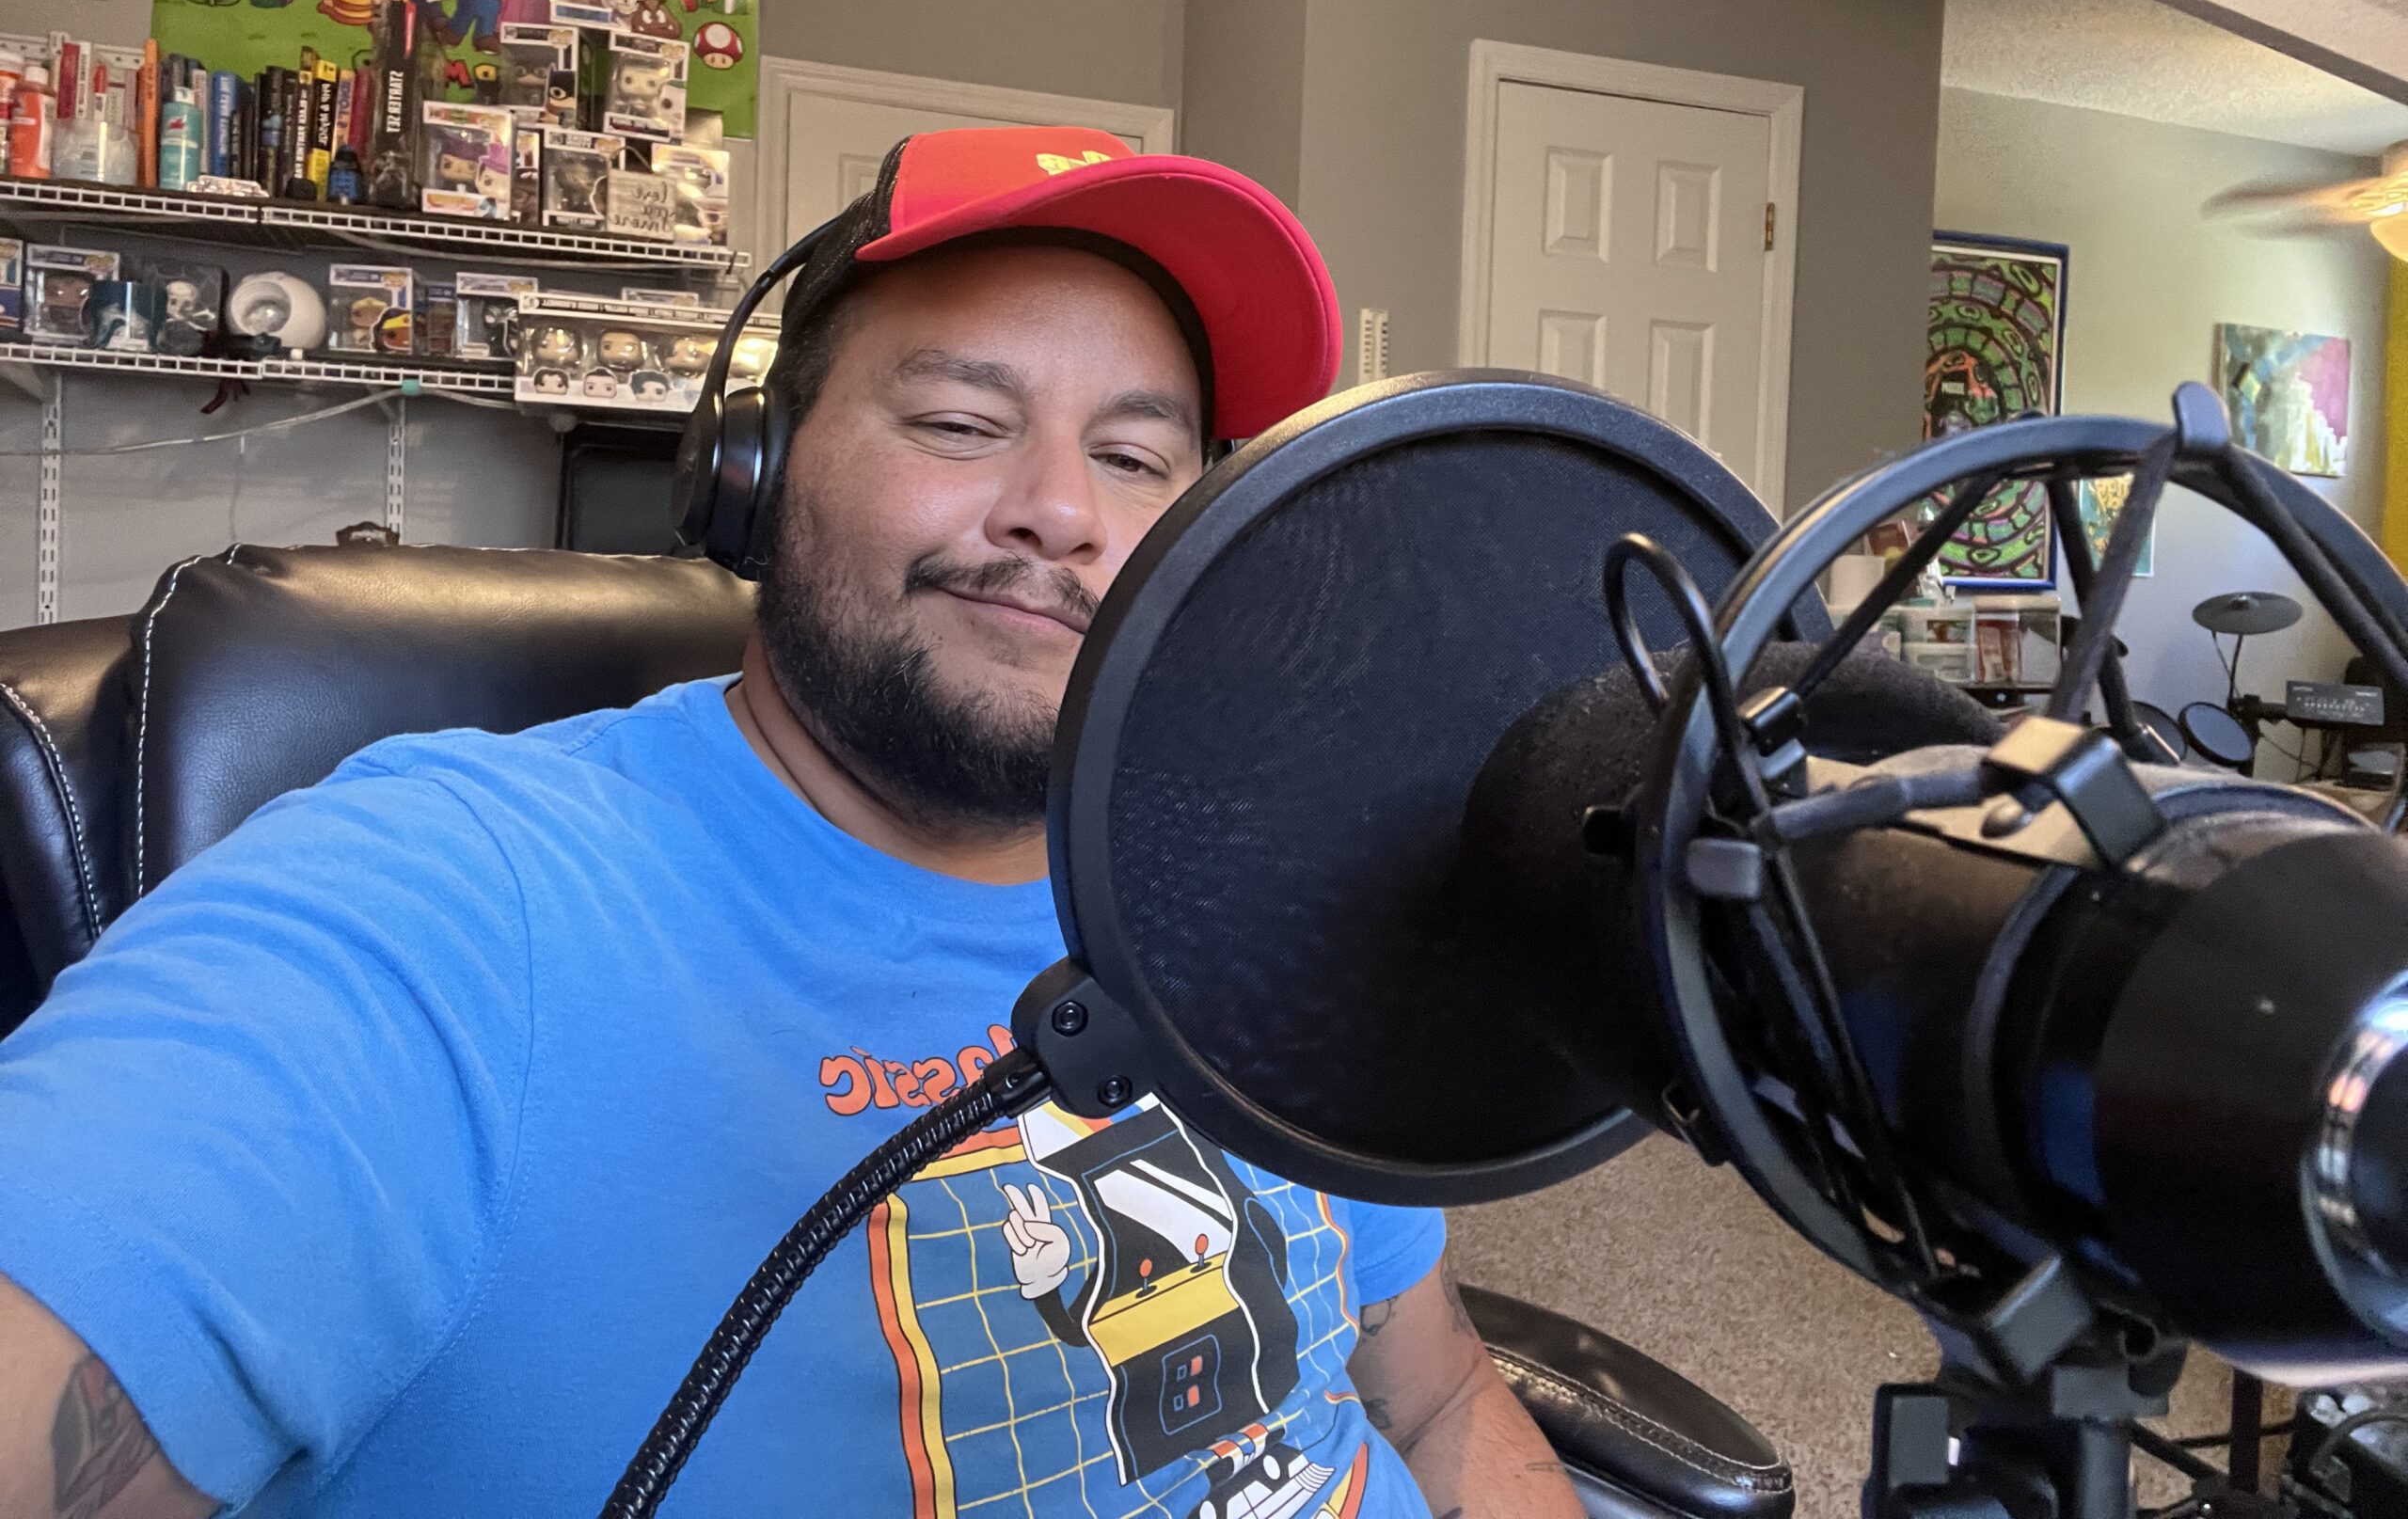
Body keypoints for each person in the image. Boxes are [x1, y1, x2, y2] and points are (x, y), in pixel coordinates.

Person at [0, 127, 1584, 1519]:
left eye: (1135, 458)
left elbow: (1433, 1396)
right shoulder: (448, 904)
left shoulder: (1273, 906)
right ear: (749, 477)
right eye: (964, 422)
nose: (1063, 509)